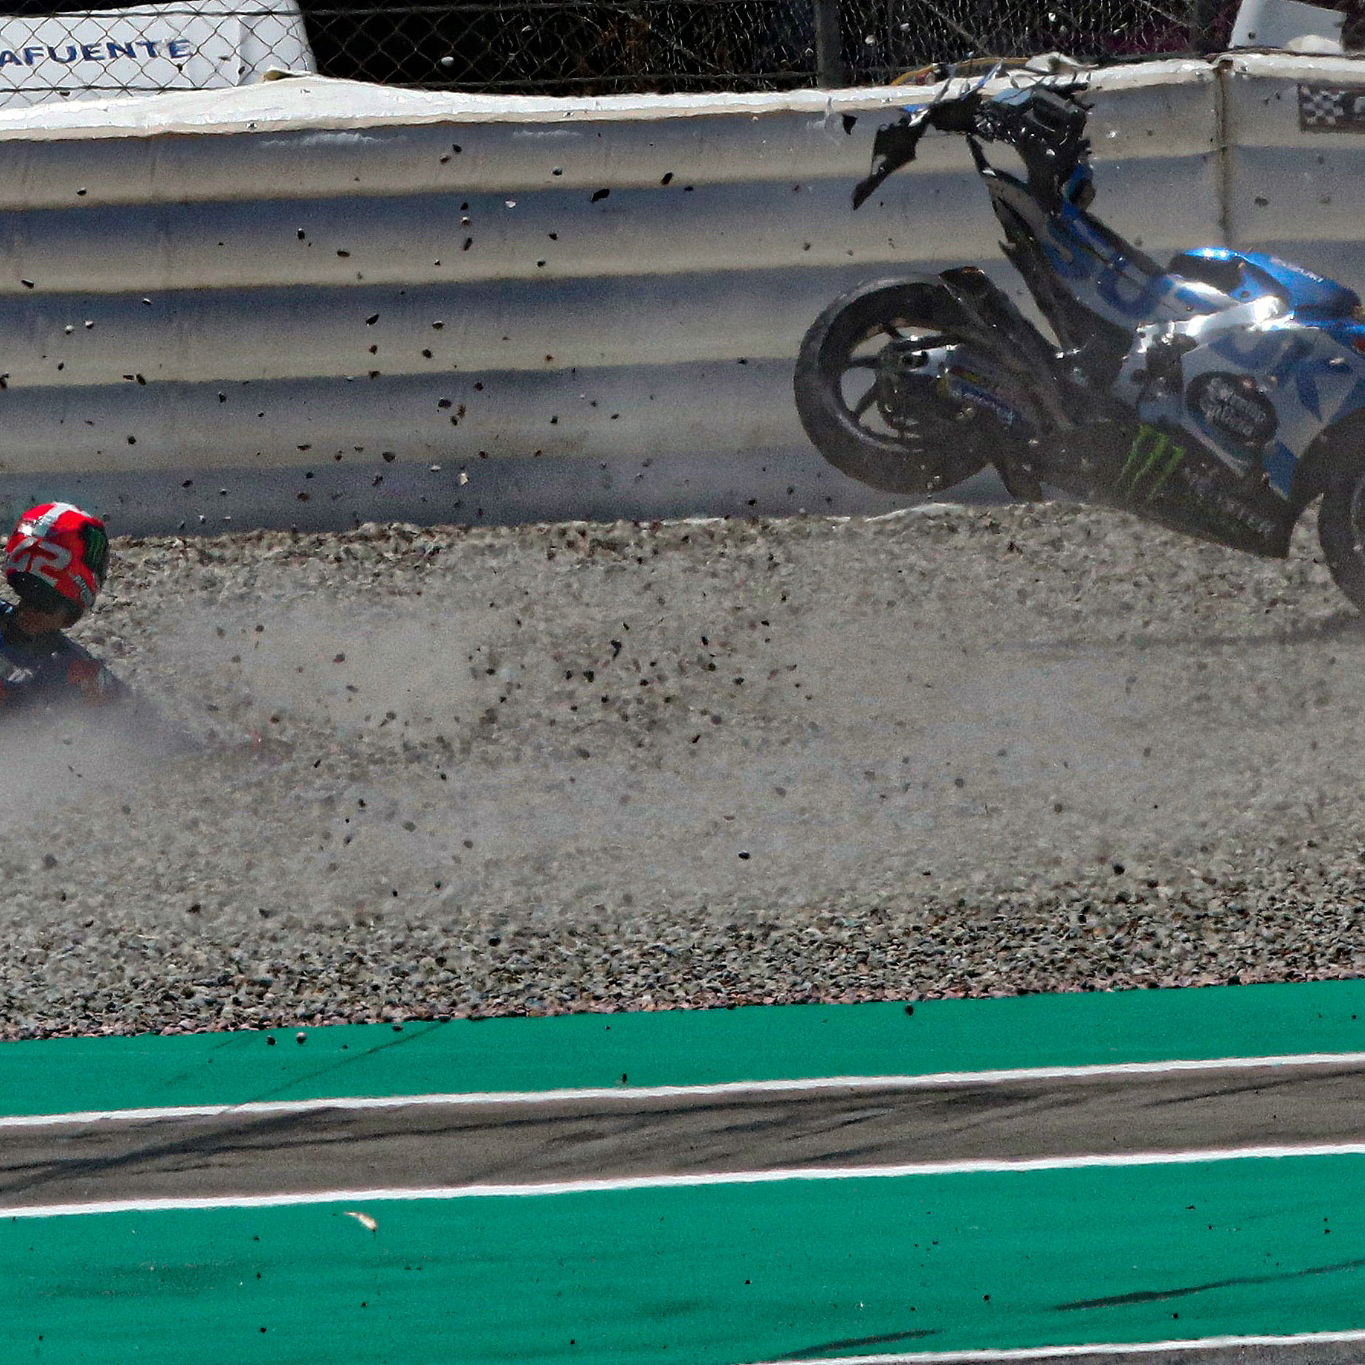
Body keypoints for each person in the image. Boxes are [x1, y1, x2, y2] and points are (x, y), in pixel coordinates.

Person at [0, 501, 125, 709]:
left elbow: (140, 715)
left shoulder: (75, 669)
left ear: (70, 611)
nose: (32, 610)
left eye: (47, 601)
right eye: (27, 590)